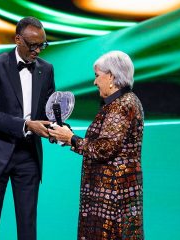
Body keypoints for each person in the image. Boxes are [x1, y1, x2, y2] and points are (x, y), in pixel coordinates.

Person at [0, 16, 55, 240]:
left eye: (42, 45)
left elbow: (48, 111)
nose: (38, 50)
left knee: (28, 227)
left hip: (29, 157)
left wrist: (57, 125)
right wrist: (26, 125)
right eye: (33, 45)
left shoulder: (46, 70)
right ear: (17, 39)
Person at [49, 51, 144, 239]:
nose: (94, 82)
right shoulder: (117, 103)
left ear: (111, 76)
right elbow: (99, 144)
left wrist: (71, 139)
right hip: (109, 194)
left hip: (113, 196)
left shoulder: (122, 105)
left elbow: (104, 148)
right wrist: (67, 136)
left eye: (97, 75)